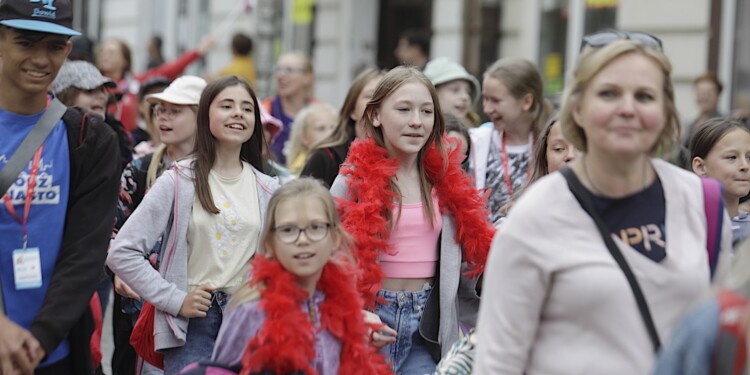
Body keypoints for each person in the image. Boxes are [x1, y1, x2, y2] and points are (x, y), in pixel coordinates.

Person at [473, 31, 734, 375]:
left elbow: (723, 337)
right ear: (577, 109)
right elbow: (497, 363)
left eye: (644, 95)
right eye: (609, 93)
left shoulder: (702, 202)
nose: (627, 109)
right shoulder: (535, 215)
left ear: (666, 111)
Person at [107, 76, 278, 374]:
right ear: (206, 116)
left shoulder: (268, 188)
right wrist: (176, 299)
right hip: (192, 325)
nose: (238, 113)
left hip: (248, 320)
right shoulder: (179, 179)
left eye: (247, 108)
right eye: (227, 106)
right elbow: (122, 252)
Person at [330, 66, 495, 373]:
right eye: (404, 110)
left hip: (426, 327)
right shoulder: (353, 178)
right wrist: (351, 313)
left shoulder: (447, 181)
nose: (416, 121)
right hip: (370, 321)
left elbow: (468, 267)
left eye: (426, 111)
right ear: (376, 116)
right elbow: (324, 252)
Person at [0, 0, 120, 374]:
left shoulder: (90, 138)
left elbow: (85, 251)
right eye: (27, 42)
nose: (41, 59)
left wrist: (40, 338)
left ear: (68, 50)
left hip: (53, 352)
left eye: (54, 46)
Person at [209, 178, 390, 374]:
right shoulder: (251, 311)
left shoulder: (343, 309)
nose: (303, 239)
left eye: (315, 227)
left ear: (335, 238)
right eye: (288, 230)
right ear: (270, 243)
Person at [110, 75, 206, 375]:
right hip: (139, 309)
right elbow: (112, 227)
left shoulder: (219, 174)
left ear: (201, 116)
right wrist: (117, 270)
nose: (163, 117)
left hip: (200, 311)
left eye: (174, 111)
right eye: (159, 110)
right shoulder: (140, 168)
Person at [470, 57, 552, 224]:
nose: (487, 108)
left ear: (527, 101)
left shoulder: (552, 145)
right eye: (486, 98)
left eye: (495, 100)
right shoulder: (476, 142)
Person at [96, 35, 216, 134]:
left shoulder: (134, 83)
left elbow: (169, 70)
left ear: (125, 60)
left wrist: (198, 51)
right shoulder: (92, 87)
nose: (104, 56)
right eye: (102, 52)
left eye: (111, 53)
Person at [300, 68, 382, 187]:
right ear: (352, 110)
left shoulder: (402, 157)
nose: (378, 102)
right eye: (370, 96)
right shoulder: (325, 157)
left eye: (385, 96)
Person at [52, 60, 133, 172]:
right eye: (89, 91)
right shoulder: (52, 140)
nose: (101, 96)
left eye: (102, 90)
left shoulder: (116, 139)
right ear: (64, 98)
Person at [690, 117, 750, 246]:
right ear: (700, 166)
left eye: (749, 157)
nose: (745, 166)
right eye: (732, 157)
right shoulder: (686, 228)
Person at [263, 51, 320, 164]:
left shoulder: (320, 112)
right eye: (278, 69)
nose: (280, 75)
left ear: (307, 77)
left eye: (289, 70)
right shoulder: (264, 110)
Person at [424, 57, 481, 127]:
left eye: (468, 92)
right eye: (455, 90)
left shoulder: (475, 135)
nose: (465, 97)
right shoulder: (420, 133)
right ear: (432, 94)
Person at [284, 103, 337, 175]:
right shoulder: (296, 171)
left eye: (333, 128)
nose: (330, 133)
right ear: (304, 137)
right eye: (321, 128)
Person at [527, 116, 579, 185]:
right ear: (545, 157)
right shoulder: (529, 195)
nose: (570, 155)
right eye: (559, 148)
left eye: (580, 148)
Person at [133, 76, 171, 158]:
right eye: (151, 97)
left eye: (164, 93)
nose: (159, 100)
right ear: (139, 104)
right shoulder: (133, 141)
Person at [684, 72, 724, 148]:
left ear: (718, 95)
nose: (704, 97)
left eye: (709, 93)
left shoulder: (722, 124)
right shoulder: (690, 125)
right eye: (700, 92)